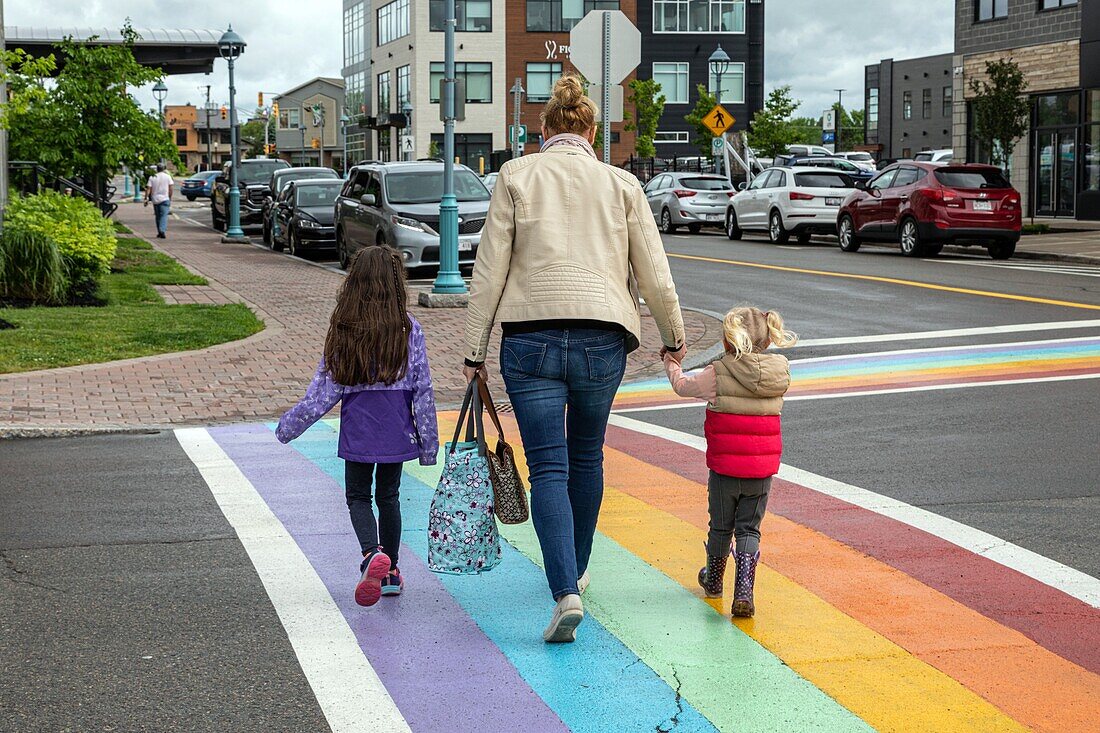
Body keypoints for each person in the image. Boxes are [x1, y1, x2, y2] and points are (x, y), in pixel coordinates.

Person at [463, 74, 686, 643]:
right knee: (587, 456)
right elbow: (654, 273)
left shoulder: (515, 176)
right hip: (601, 337)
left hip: (529, 339)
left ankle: (563, 588)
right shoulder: (622, 185)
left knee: (548, 467)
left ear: (544, 131)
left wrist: (474, 351)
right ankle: (578, 571)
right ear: (591, 131)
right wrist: (674, 336)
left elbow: (489, 271)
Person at [276, 247, 438, 607]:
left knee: (358, 496)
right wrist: (428, 445)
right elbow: (422, 387)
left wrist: (289, 426)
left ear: (355, 282)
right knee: (389, 496)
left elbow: (324, 389)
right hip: (397, 423)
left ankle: (370, 554)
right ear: (397, 283)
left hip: (360, 424)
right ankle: (392, 571)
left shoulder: (344, 328)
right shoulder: (408, 327)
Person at [662, 307, 797, 618]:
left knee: (721, 527)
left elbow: (682, 386)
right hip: (761, 472)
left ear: (727, 341)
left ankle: (713, 580)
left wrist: (671, 362)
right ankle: (745, 591)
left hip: (724, 470)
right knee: (749, 529)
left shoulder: (718, 372)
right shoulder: (780, 373)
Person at [144, 163, 173, 239]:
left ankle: (159, 232)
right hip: (165, 198)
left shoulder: (152, 177)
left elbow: (148, 189)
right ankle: (162, 230)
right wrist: (170, 197)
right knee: (164, 215)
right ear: (164, 169)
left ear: (157, 169)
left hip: (155, 199)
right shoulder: (168, 177)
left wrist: (146, 198)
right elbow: (170, 188)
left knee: (158, 216)